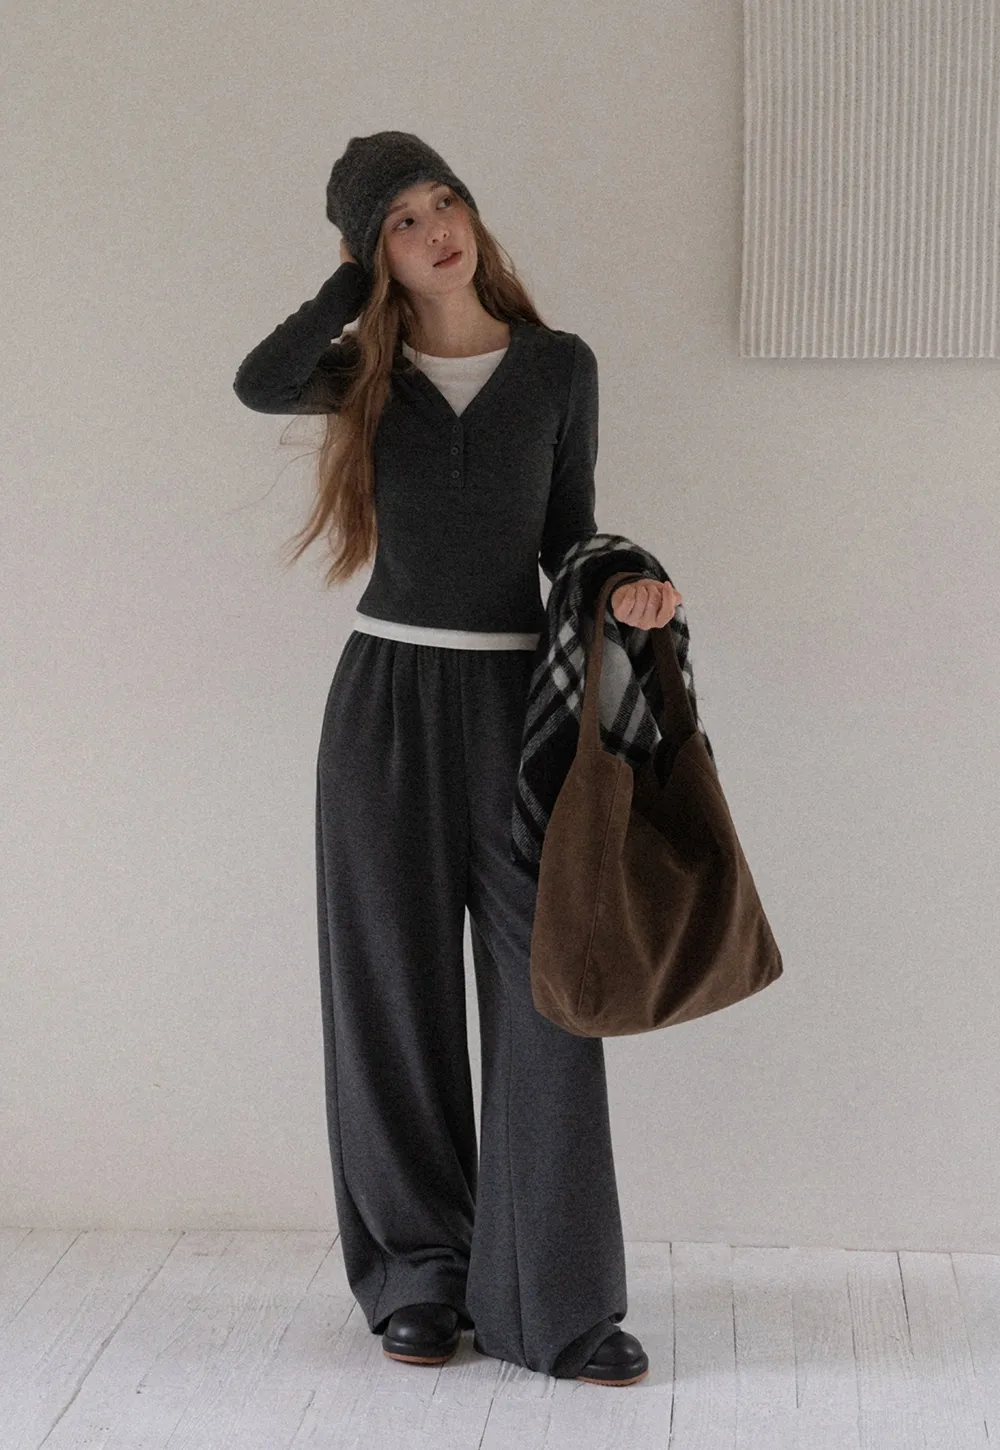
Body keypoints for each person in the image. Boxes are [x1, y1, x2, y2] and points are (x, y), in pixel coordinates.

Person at [232, 131, 678, 1387]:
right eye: (402, 221)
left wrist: (624, 584)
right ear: (372, 252)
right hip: (382, 705)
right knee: (391, 990)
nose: (438, 229)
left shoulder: (557, 367)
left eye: (444, 201)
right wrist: (351, 281)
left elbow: (567, 535)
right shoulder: (359, 375)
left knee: (548, 996)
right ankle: (418, 1275)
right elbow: (259, 381)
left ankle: (558, 1300)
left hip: (516, 705)